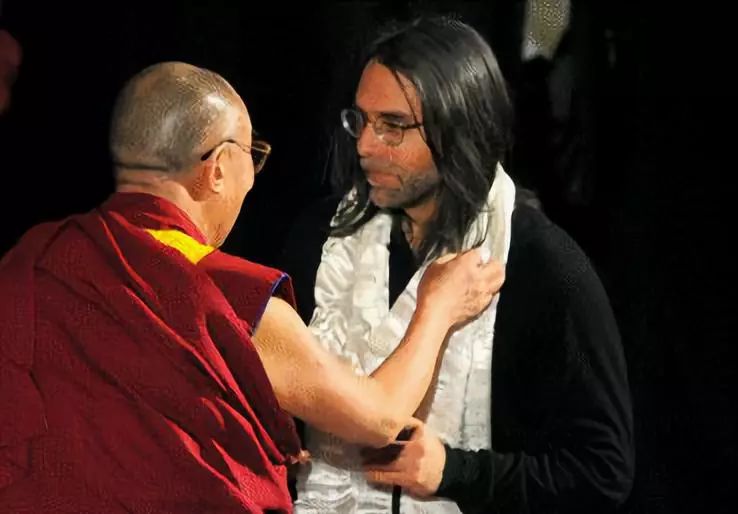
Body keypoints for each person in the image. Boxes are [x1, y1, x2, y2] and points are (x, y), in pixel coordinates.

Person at [0, 61, 504, 513]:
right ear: (218, 168)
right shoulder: (221, 292)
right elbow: (379, 417)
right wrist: (437, 307)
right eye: (251, 155)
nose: (252, 179)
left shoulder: (38, 260)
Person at [281, 15, 634, 514]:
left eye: (393, 126)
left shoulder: (544, 266)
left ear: (460, 129)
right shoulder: (319, 238)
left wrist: (453, 471)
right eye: (360, 121)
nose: (364, 145)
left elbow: (602, 472)